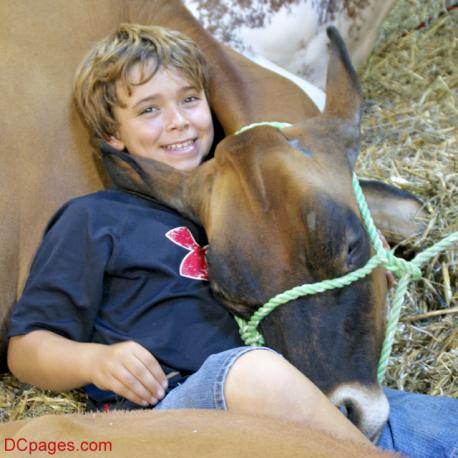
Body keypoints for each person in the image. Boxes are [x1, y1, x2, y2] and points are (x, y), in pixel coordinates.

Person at [6, 24, 457, 457]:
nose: (178, 122)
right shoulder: (95, 218)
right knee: (254, 372)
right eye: (149, 109)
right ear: (112, 135)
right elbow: (26, 348)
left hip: (290, 399)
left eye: (189, 99)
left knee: (444, 424)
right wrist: (93, 363)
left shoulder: (238, 206)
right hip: (176, 409)